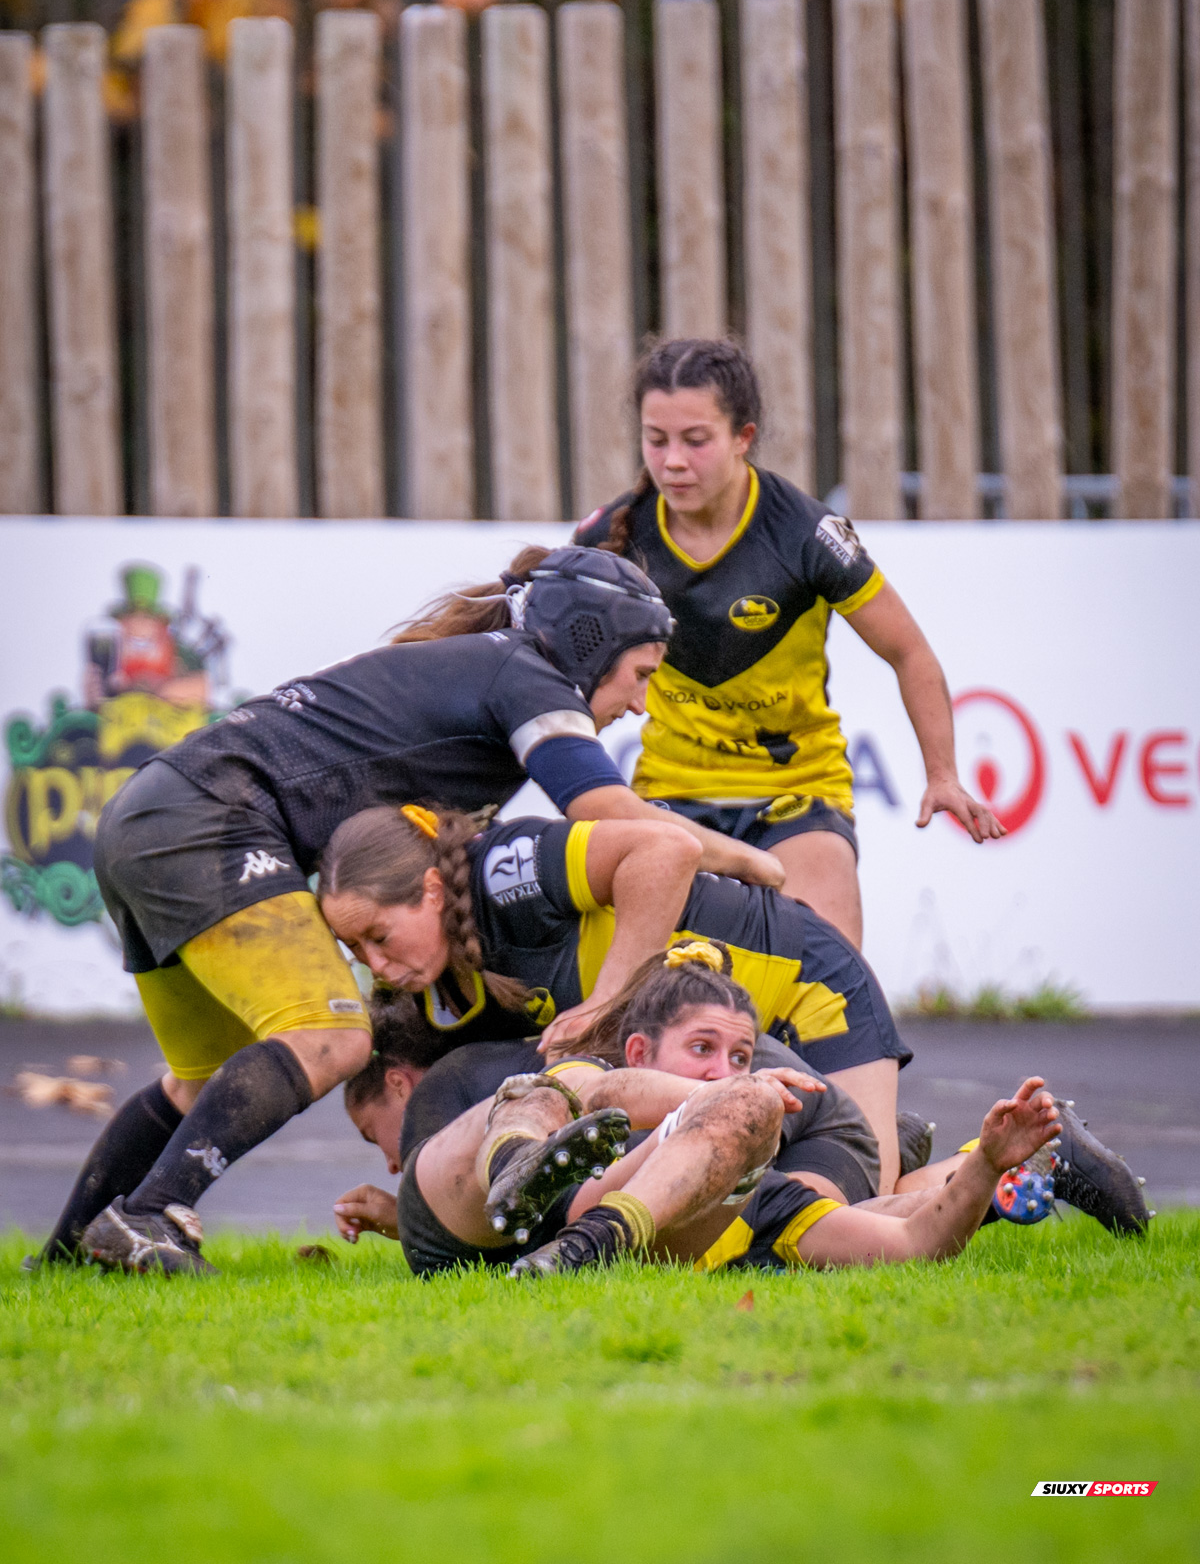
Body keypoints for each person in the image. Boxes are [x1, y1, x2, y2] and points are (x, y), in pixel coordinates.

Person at [40, 546, 779, 1277]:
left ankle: (73, 1251)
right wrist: (750, 859)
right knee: (331, 1037)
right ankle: (152, 1213)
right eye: (641, 674)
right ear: (593, 644)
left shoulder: (483, 667)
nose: (641, 702)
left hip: (144, 815)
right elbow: (611, 813)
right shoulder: (527, 673)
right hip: (207, 822)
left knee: (199, 1083)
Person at [573, 338, 1005, 957]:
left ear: (743, 437)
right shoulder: (611, 537)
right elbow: (547, 668)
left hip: (796, 790)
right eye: (656, 440)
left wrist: (942, 774)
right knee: (650, 990)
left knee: (832, 980)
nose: (673, 462)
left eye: (696, 440)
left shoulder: (804, 534)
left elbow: (909, 652)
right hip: (669, 792)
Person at [332, 953, 1139, 1280]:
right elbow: (593, 1095)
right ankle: (974, 1163)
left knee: (833, 1187)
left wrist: (989, 1163)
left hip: (808, 1125)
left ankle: (977, 1164)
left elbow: (910, 1244)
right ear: (643, 1047)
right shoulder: (603, 1079)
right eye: (704, 1050)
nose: (723, 1067)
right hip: (615, 1135)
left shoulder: (756, 1125)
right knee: (582, 1091)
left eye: (737, 1053)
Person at [317, 802, 914, 1189]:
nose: (375, 965)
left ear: (430, 890)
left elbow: (667, 850)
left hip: (808, 985)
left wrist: (607, 1000)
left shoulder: (502, 870)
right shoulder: (435, 991)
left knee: (863, 1208)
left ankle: (937, 1159)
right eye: (355, 949)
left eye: (379, 936)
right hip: (725, 1038)